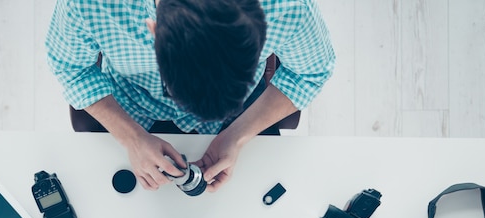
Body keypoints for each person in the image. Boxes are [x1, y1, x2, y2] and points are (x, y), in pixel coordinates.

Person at [46, 0, 335, 192]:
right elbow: (72, 69)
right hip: (133, 107)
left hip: (244, 113)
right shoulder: (87, 4)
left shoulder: (288, 6)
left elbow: (310, 73)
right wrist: (131, 137)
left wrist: (236, 134)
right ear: (155, 30)